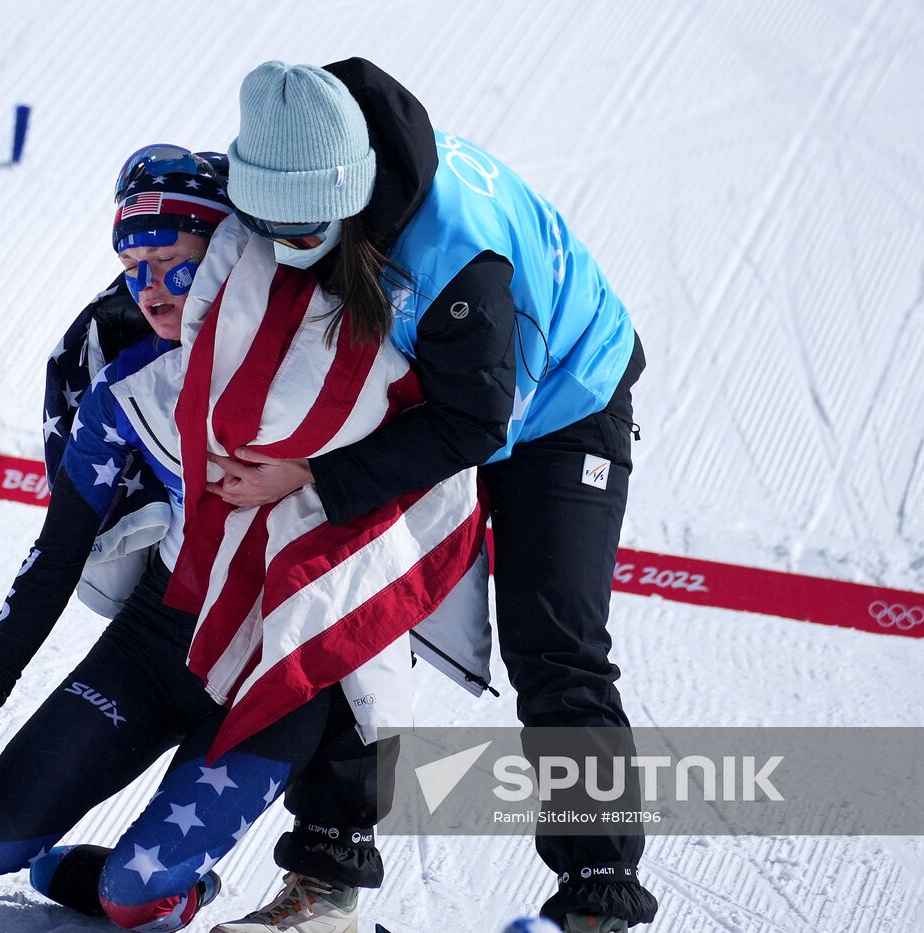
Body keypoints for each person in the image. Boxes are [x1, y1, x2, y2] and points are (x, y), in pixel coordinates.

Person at [0, 142, 493, 932]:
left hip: (277, 666)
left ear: (226, 257)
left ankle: (123, 877)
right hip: (162, 634)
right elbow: (57, 552)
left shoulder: (333, 361)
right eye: (134, 265)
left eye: (174, 264)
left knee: (134, 900)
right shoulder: (128, 387)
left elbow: (449, 455)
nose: (151, 288)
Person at [204, 59, 657, 933]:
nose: (283, 241)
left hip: (561, 402)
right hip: (427, 385)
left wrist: (317, 475)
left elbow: (477, 425)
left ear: (351, 191)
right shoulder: (296, 154)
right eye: (267, 222)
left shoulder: (455, 255)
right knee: (346, 601)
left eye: (303, 227)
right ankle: (326, 882)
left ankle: (598, 898)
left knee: (553, 640)